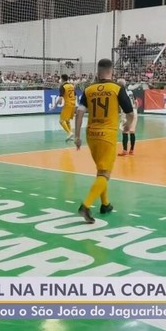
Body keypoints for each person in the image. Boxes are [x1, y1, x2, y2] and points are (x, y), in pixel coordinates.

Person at [74, 59, 134, 224]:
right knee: (105, 174)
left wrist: (77, 136)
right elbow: (130, 112)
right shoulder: (117, 88)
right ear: (111, 71)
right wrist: (128, 126)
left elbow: (79, 113)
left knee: (101, 170)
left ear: (98, 71)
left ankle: (105, 204)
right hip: (107, 135)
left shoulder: (89, 89)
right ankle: (85, 206)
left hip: (91, 135)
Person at [117, 79, 138, 156]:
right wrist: (135, 109)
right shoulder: (131, 92)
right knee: (132, 131)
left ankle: (125, 150)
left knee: (125, 131)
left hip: (126, 112)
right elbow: (136, 102)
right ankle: (131, 150)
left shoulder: (121, 93)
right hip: (134, 111)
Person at [54, 74, 76, 141]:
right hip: (73, 104)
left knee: (61, 121)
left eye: (60, 79)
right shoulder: (72, 86)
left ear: (62, 79)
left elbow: (60, 98)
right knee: (67, 121)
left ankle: (69, 133)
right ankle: (70, 136)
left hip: (68, 104)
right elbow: (75, 95)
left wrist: (55, 105)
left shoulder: (62, 86)